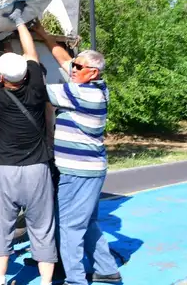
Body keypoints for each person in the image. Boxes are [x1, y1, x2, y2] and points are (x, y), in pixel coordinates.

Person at [31, 20, 123, 285]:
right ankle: (106, 269)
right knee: (88, 221)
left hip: (79, 173)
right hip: (91, 170)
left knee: (70, 227)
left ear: (92, 72)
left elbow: (37, 87)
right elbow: (64, 60)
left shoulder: (80, 94)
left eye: (78, 67)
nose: (72, 69)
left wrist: (25, 55)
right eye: (74, 65)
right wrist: (44, 35)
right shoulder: (95, 87)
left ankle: (75, 280)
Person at [0, 2, 57, 285]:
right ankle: (46, 282)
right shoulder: (37, 87)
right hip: (37, 169)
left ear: (1, 78)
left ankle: (0, 279)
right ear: (25, 73)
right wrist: (19, 20)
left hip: (6, 171)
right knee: (43, 227)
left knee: (2, 225)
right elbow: (32, 53)